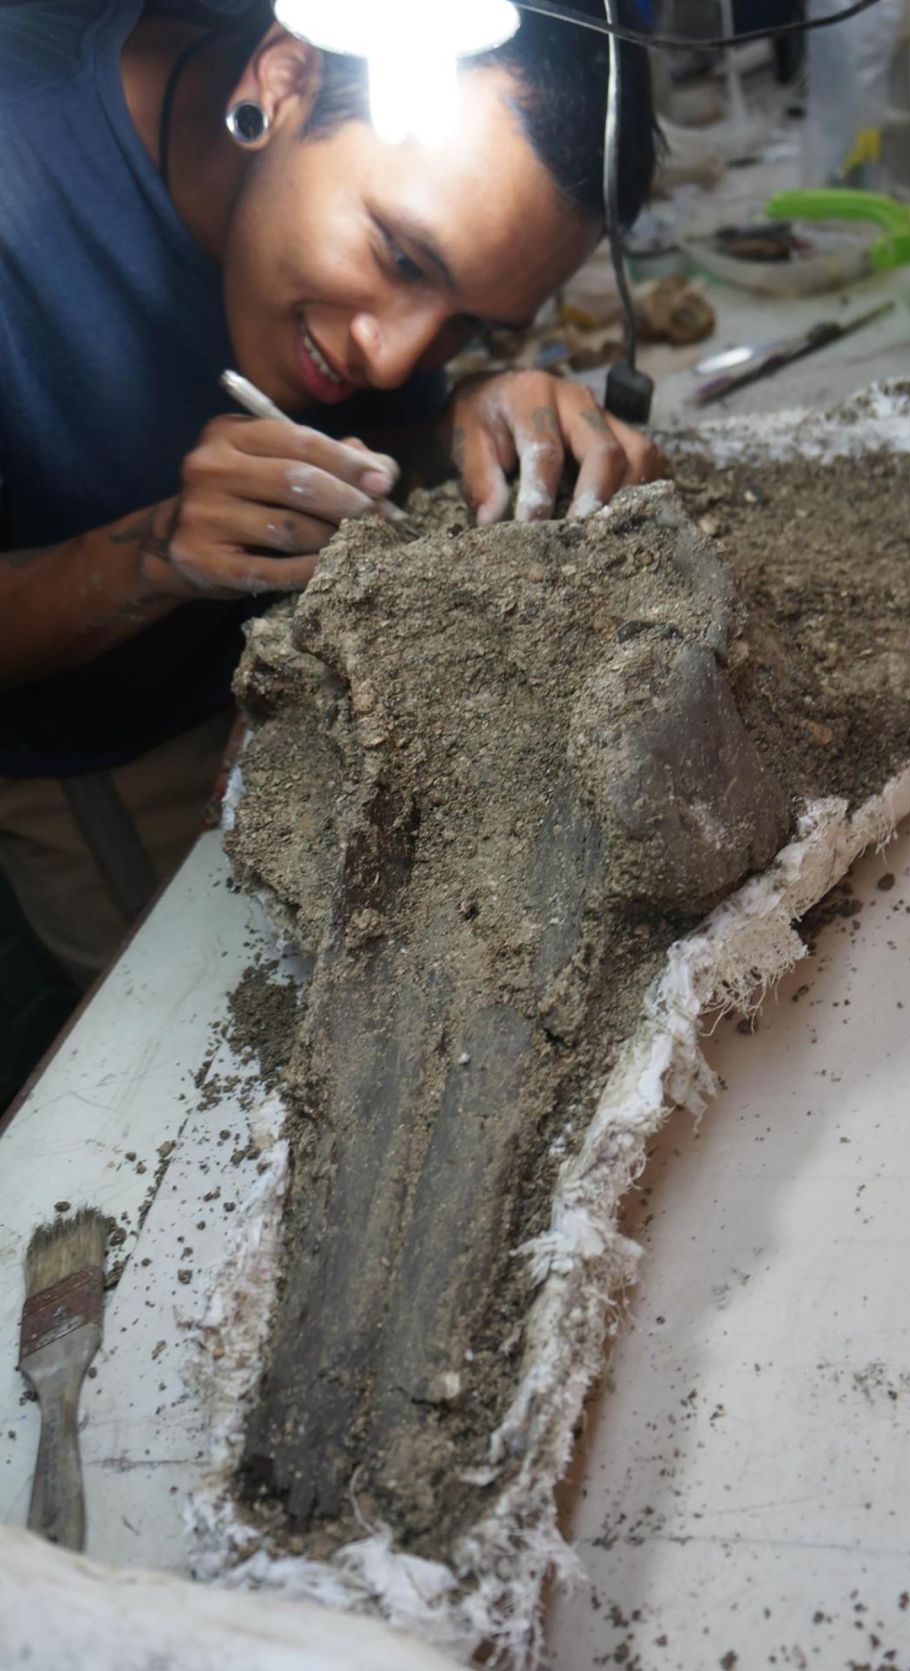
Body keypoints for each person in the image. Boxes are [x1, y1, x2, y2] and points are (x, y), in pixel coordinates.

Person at [0, 0, 665, 988]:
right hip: (111, 760)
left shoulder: (403, 97)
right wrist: (154, 551)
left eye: (468, 326)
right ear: (282, 79)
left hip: (281, 704)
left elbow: (373, 434)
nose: (394, 355)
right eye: (401, 258)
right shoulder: (24, 176)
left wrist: (464, 420)